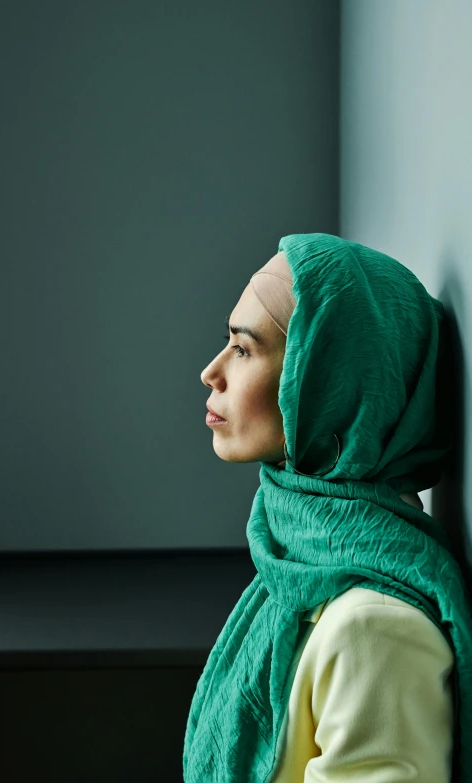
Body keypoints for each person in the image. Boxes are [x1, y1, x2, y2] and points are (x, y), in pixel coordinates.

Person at [183, 233, 472, 783]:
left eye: (243, 350)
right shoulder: (297, 553)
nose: (212, 371)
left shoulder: (378, 631)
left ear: (323, 385)